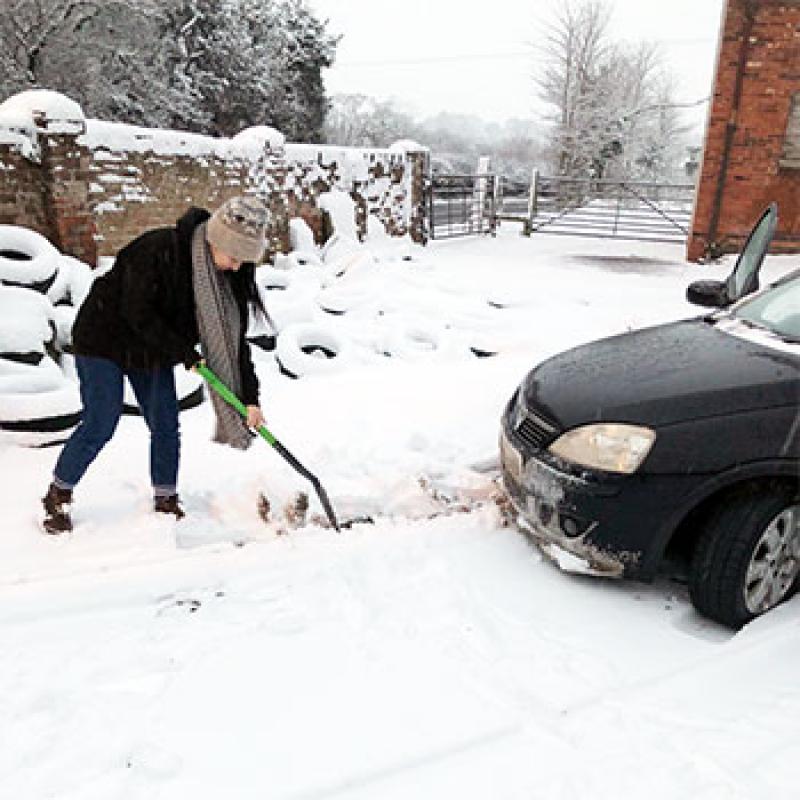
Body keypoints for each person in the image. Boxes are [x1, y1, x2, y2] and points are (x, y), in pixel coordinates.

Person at [41, 195, 270, 534]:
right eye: (234, 257)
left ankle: (166, 497)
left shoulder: (227, 278)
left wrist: (250, 398)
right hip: (104, 338)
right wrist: (185, 352)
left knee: (165, 423)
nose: (237, 267)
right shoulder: (158, 250)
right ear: (217, 241)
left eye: (244, 260)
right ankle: (58, 493)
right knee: (101, 421)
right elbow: (139, 313)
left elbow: (235, 342)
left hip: (152, 348)